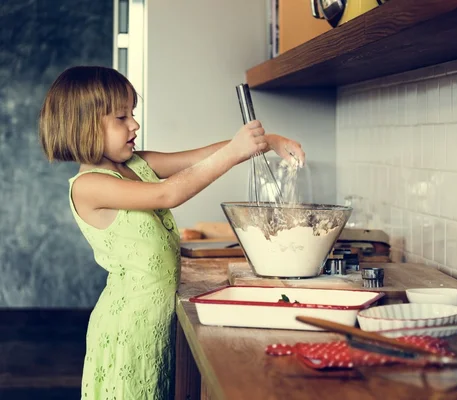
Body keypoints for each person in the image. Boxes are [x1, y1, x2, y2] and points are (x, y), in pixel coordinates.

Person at [38, 65, 305, 399]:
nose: (134, 123)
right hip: (129, 329)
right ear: (83, 127)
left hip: (156, 322)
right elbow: (168, 194)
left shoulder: (134, 164)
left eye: (132, 114)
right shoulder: (89, 186)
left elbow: (200, 157)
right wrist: (236, 150)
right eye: (121, 118)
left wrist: (267, 142)